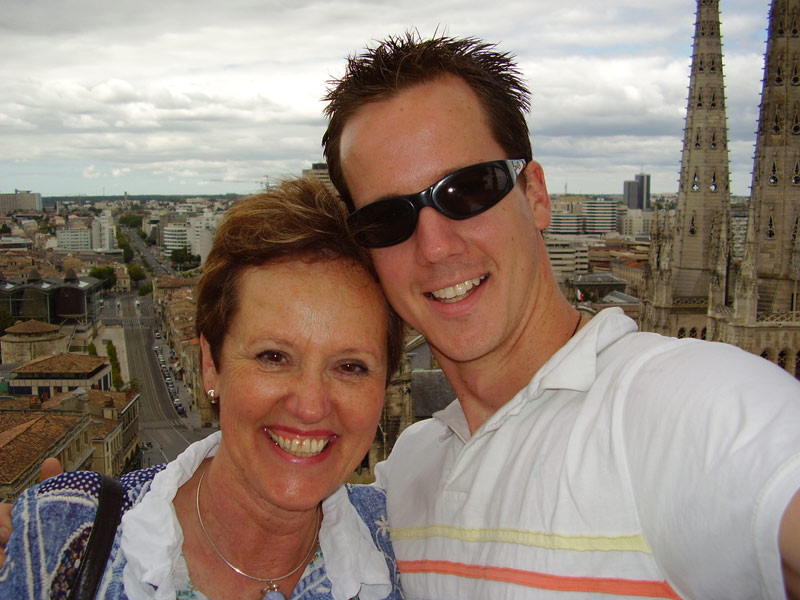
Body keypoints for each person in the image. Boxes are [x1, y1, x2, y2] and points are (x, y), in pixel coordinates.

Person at [321, 33, 800, 599]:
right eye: (386, 219)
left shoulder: (678, 407)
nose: (435, 246)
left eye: (469, 190)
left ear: (536, 194)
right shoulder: (410, 472)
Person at [0, 177, 405, 600]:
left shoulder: (402, 546)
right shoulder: (66, 536)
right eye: (273, 357)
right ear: (210, 364)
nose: (309, 405)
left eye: (351, 366)